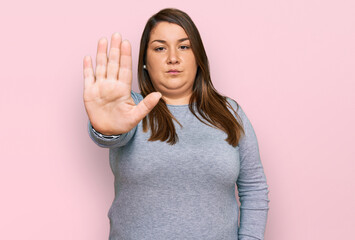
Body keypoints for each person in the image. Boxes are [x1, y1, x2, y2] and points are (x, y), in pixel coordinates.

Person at [83, 8, 270, 240]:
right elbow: (110, 131)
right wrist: (105, 129)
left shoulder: (230, 113)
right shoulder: (131, 108)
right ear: (144, 61)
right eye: (160, 48)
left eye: (184, 46)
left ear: (198, 56)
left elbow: (254, 189)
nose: (173, 57)